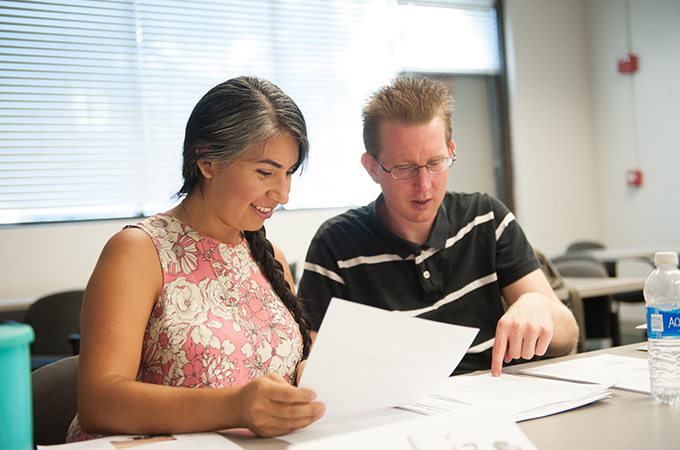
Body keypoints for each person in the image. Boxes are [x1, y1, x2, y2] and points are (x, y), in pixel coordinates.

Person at [67, 76, 325, 442]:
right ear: (206, 161)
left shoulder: (272, 259)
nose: (282, 193)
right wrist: (234, 408)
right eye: (266, 172)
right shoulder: (139, 252)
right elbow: (99, 403)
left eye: (288, 173)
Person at [298, 75, 579, 377]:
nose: (425, 185)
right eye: (404, 168)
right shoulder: (336, 245)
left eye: (436, 163)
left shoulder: (486, 218)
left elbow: (567, 337)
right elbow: (314, 364)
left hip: (501, 399)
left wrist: (539, 305)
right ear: (372, 168)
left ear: (450, 150)